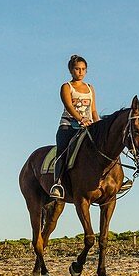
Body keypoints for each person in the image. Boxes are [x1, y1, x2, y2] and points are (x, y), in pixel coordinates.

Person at [51, 54, 99, 199]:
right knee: (63, 151)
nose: (81, 72)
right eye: (77, 69)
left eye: (83, 69)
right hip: (68, 126)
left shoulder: (90, 88)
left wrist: (98, 123)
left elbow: (94, 109)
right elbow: (69, 106)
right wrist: (81, 119)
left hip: (88, 127)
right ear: (71, 70)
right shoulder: (67, 87)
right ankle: (57, 183)